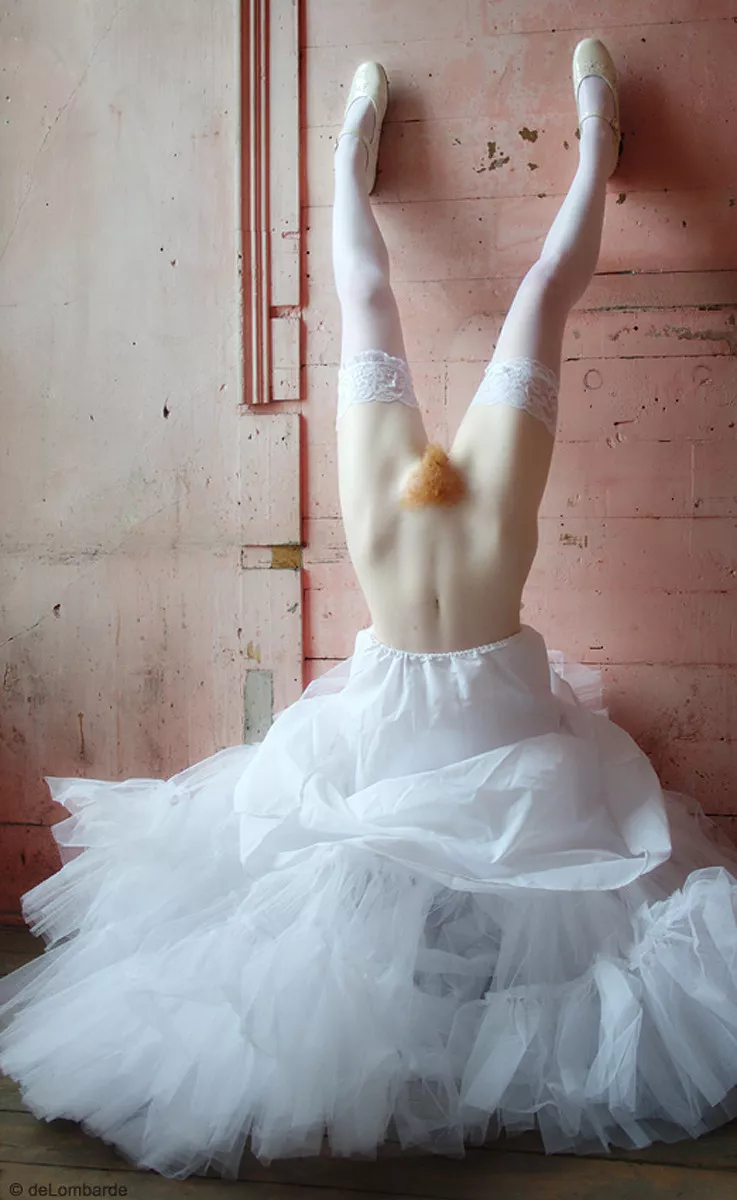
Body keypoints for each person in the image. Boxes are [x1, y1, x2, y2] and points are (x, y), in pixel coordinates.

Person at [2, 38, 737, 1182]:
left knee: (365, 304)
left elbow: (365, 293)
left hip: (393, 705)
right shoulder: (488, 506)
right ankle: (593, 145)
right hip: (488, 715)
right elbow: (544, 291)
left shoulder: (397, 507)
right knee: (539, 299)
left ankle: (349, 146)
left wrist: (352, 150)